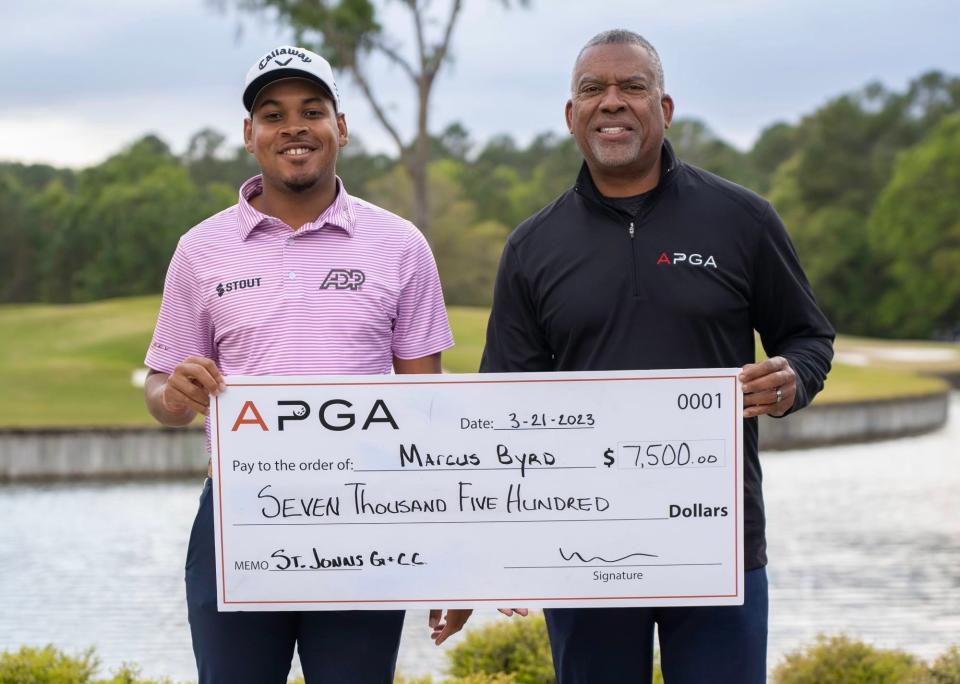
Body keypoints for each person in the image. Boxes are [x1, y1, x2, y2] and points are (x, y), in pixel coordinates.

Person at [480, 30, 834, 684]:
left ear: (664, 109)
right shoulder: (532, 247)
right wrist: (507, 549)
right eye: (593, 89)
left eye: (632, 87)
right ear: (571, 116)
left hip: (718, 542)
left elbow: (808, 337)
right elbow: (504, 406)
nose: (612, 102)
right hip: (582, 548)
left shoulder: (743, 220)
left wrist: (793, 378)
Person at [143, 46, 470, 683]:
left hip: (366, 522)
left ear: (340, 128)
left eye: (312, 110)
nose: (293, 126)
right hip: (238, 522)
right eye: (272, 113)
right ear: (250, 135)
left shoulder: (401, 244)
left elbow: (427, 413)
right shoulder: (199, 250)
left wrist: (448, 559)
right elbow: (160, 393)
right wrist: (174, 395)